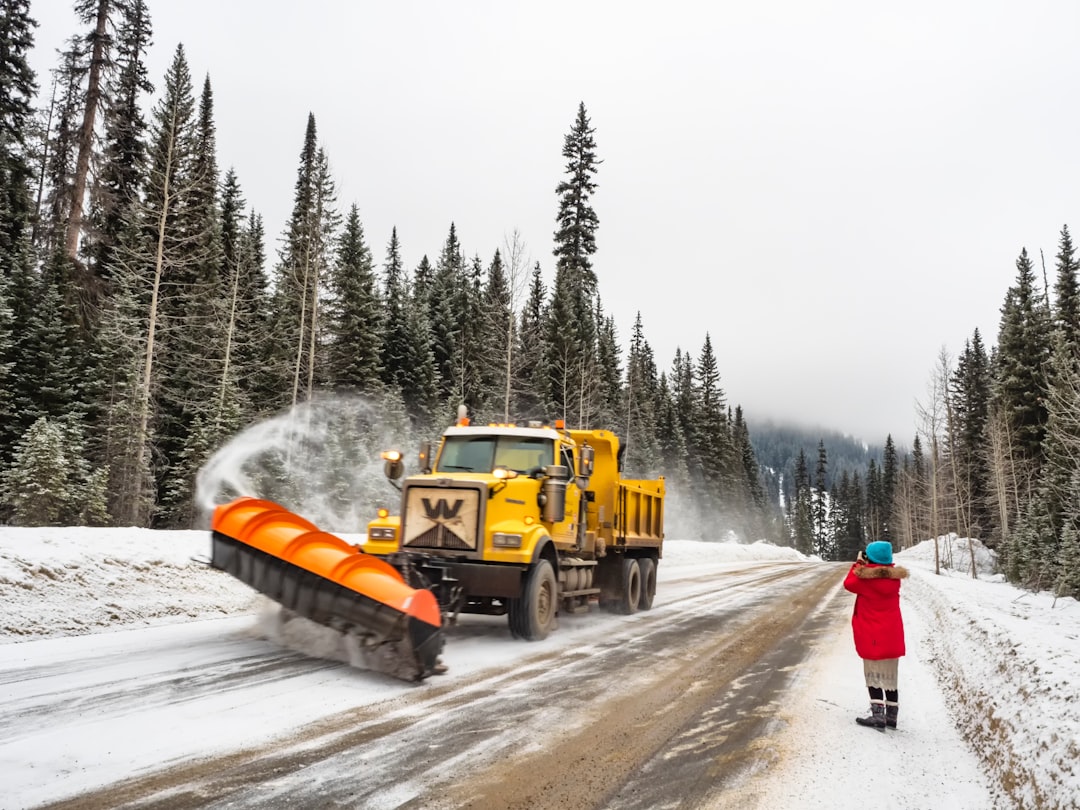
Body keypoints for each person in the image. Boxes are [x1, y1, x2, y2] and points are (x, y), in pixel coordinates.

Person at [843, 540, 909, 731]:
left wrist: (858, 565)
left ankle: (878, 716)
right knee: (890, 677)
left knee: (873, 674)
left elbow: (849, 583)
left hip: (872, 635)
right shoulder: (894, 578)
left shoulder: (866, 580)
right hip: (892, 635)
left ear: (870, 558)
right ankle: (891, 717)